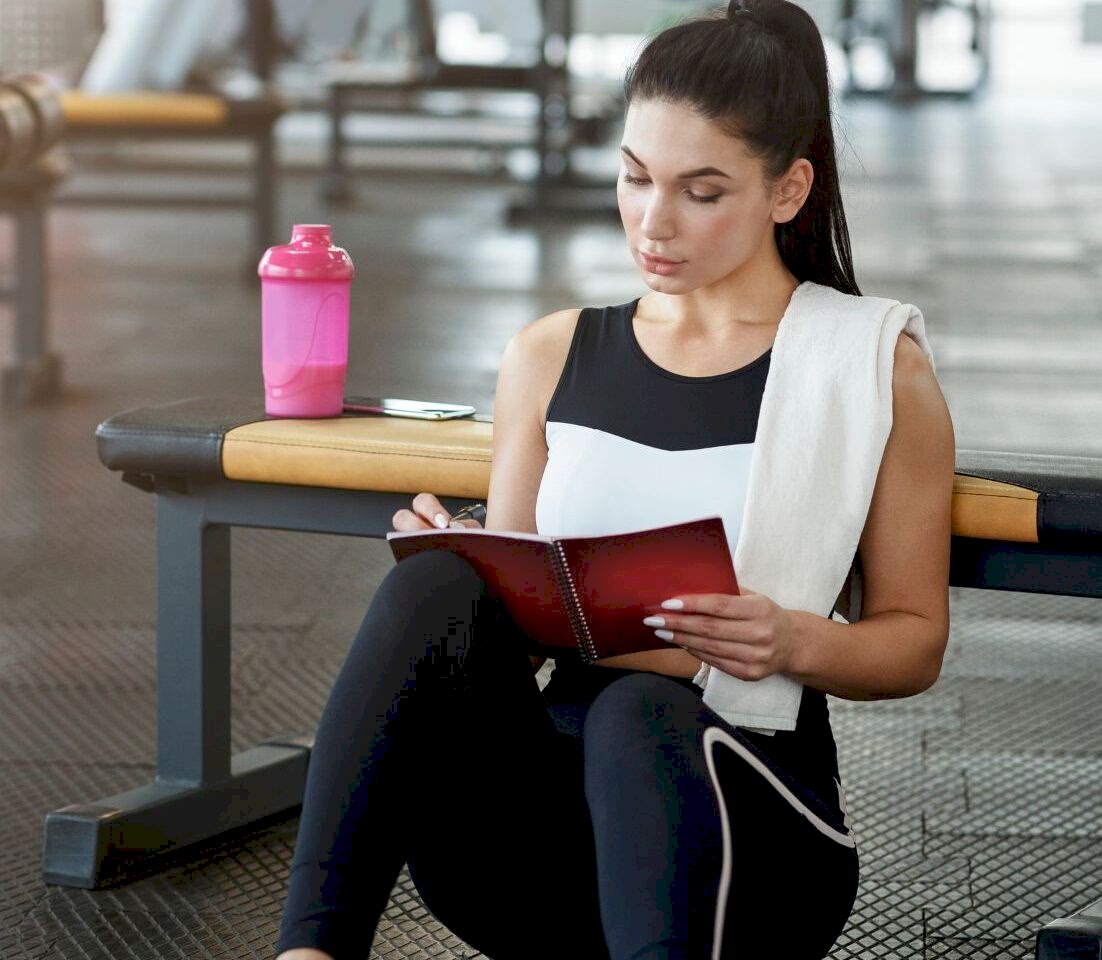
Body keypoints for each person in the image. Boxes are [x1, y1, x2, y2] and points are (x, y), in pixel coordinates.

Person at [274, 1, 955, 957]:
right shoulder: (550, 354)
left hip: (749, 833)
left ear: (788, 190)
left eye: (702, 192)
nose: (654, 221)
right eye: (635, 178)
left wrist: (793, 638)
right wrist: (468, 563)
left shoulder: (874, 369)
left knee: (641, 711)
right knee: (432, 581)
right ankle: (311, 950)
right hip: (543, 843)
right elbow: (510, 630)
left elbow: (915, 643)